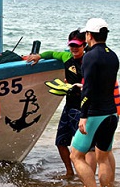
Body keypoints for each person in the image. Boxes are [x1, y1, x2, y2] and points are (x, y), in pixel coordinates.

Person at [70, 18, 120, 187]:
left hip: (94, 115)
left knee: (76, 155)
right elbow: (104, 84)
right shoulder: (113, 55)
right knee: (103, 157)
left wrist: (83, 115)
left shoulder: (90, 57)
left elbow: (89, 88)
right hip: (111, 113)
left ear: (89, 35)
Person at [24, 30, 86, 177]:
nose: (74, 49)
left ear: (84, 45)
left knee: (82, 147)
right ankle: (70, 172)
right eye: (72, 46)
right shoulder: (66, 56)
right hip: (69, 106)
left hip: (83, 109)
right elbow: (51, 54)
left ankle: (84, 174)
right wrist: (38, 56)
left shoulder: (89, 60)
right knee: (60, 142)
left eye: (77, 46)